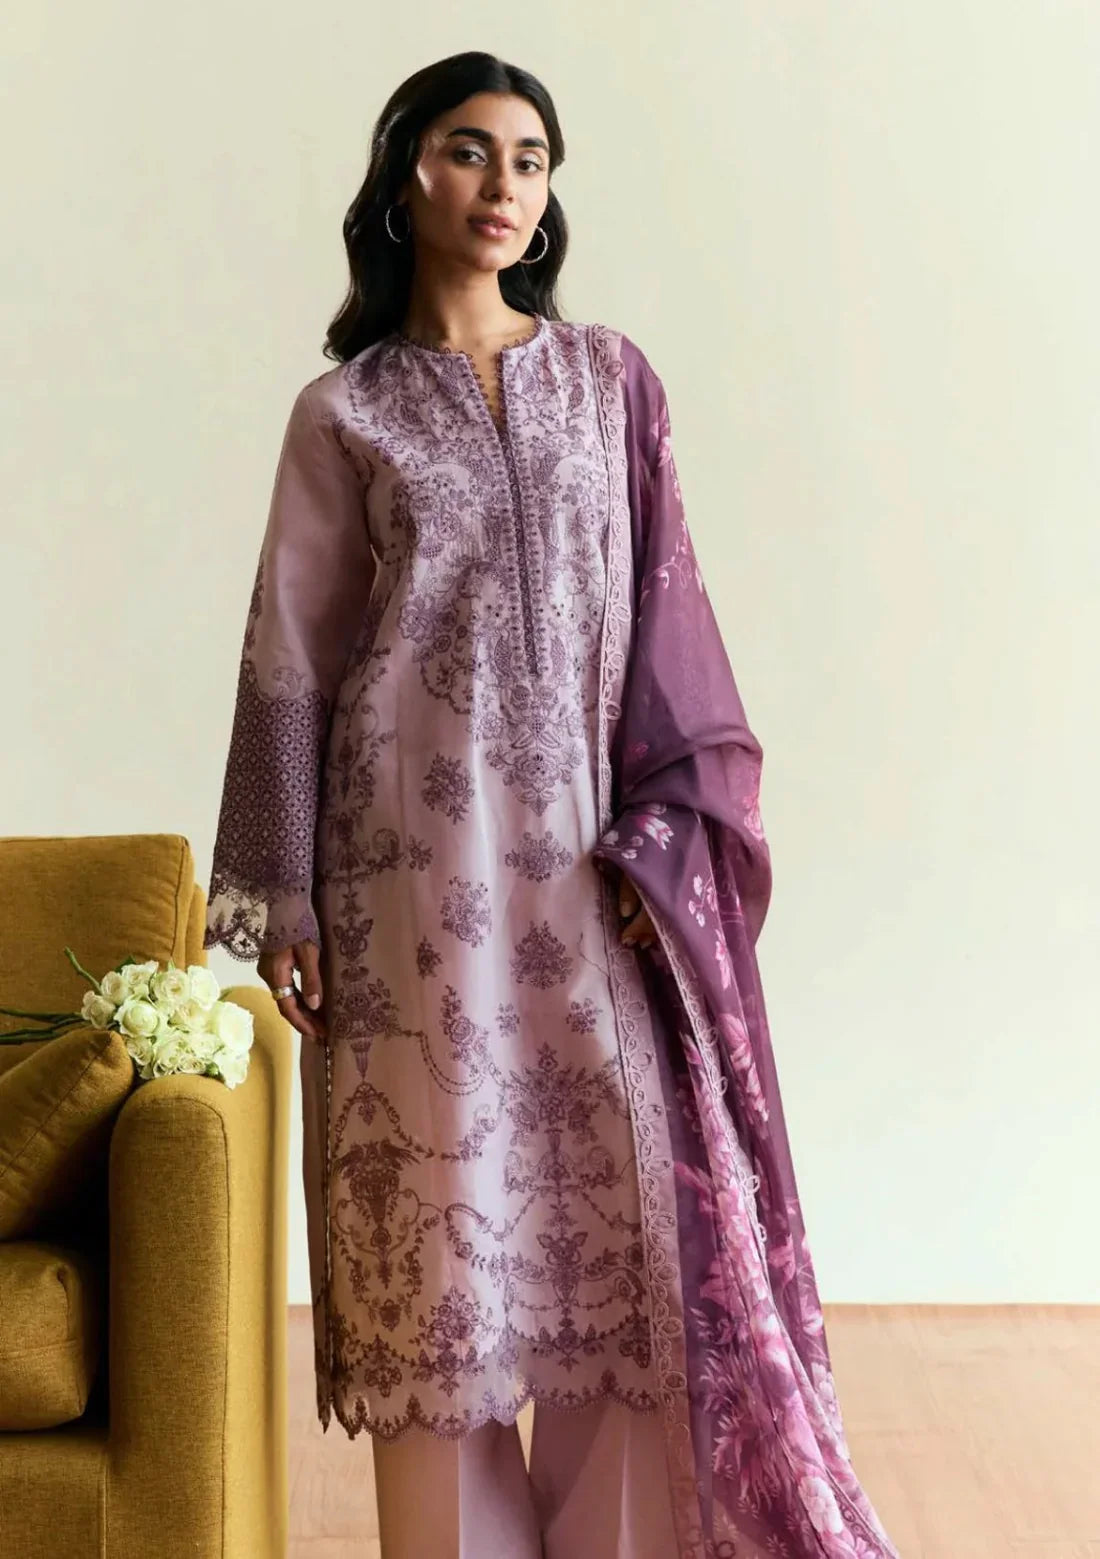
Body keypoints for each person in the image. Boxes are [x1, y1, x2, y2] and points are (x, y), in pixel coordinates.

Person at [203, 48, 901, 1559]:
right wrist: (291, 903)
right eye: (471, 152)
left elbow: (670, 625)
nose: (505, 186)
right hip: (407, 893)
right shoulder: (346, 413)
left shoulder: (610, 382)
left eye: (529, 160)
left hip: (596, 889)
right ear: (405, 177)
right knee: (441, 1288)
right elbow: (288, 663)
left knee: (624, 1271)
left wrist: (669, 848)